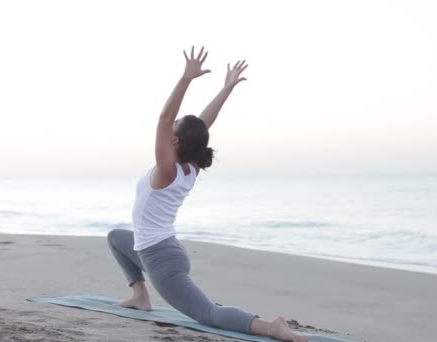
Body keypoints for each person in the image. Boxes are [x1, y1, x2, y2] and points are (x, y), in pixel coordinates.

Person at [107, 46, 308, 342]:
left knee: (208, 313)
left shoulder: (168, 170)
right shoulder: (190, 165)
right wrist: (226, 88)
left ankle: (270, 327)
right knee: (115, 237)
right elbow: (203, 124)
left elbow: (164, 117)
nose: (170, 126)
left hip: (161, 260)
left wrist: (186, 79)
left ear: (174, 139)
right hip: (160, 248)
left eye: (175, 127)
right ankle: (140, 296)